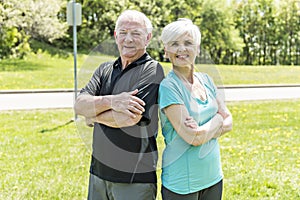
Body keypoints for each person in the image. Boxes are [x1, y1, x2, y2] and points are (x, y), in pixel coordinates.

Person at [74, 10, 164, 200]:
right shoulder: (104, 69)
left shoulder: (152, 70)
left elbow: (128, 118)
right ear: (116, 36)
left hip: (134, 179)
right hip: (98, 174)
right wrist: (113, 101)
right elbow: (80, 105)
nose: (128, 39)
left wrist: (93, 115)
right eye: (123, 32)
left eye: (136, 33)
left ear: (148, 38)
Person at [158, 18, 232, 200]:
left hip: (213, 176)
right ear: (166, 51)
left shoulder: (206, 80)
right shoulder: (169, 87)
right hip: (182, 183)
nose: (182, 49)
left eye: (188, 43)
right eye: (175, 44)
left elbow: (229, 121)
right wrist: (217, 120)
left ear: (197, 48)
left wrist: (209, 127)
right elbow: (194, 137)